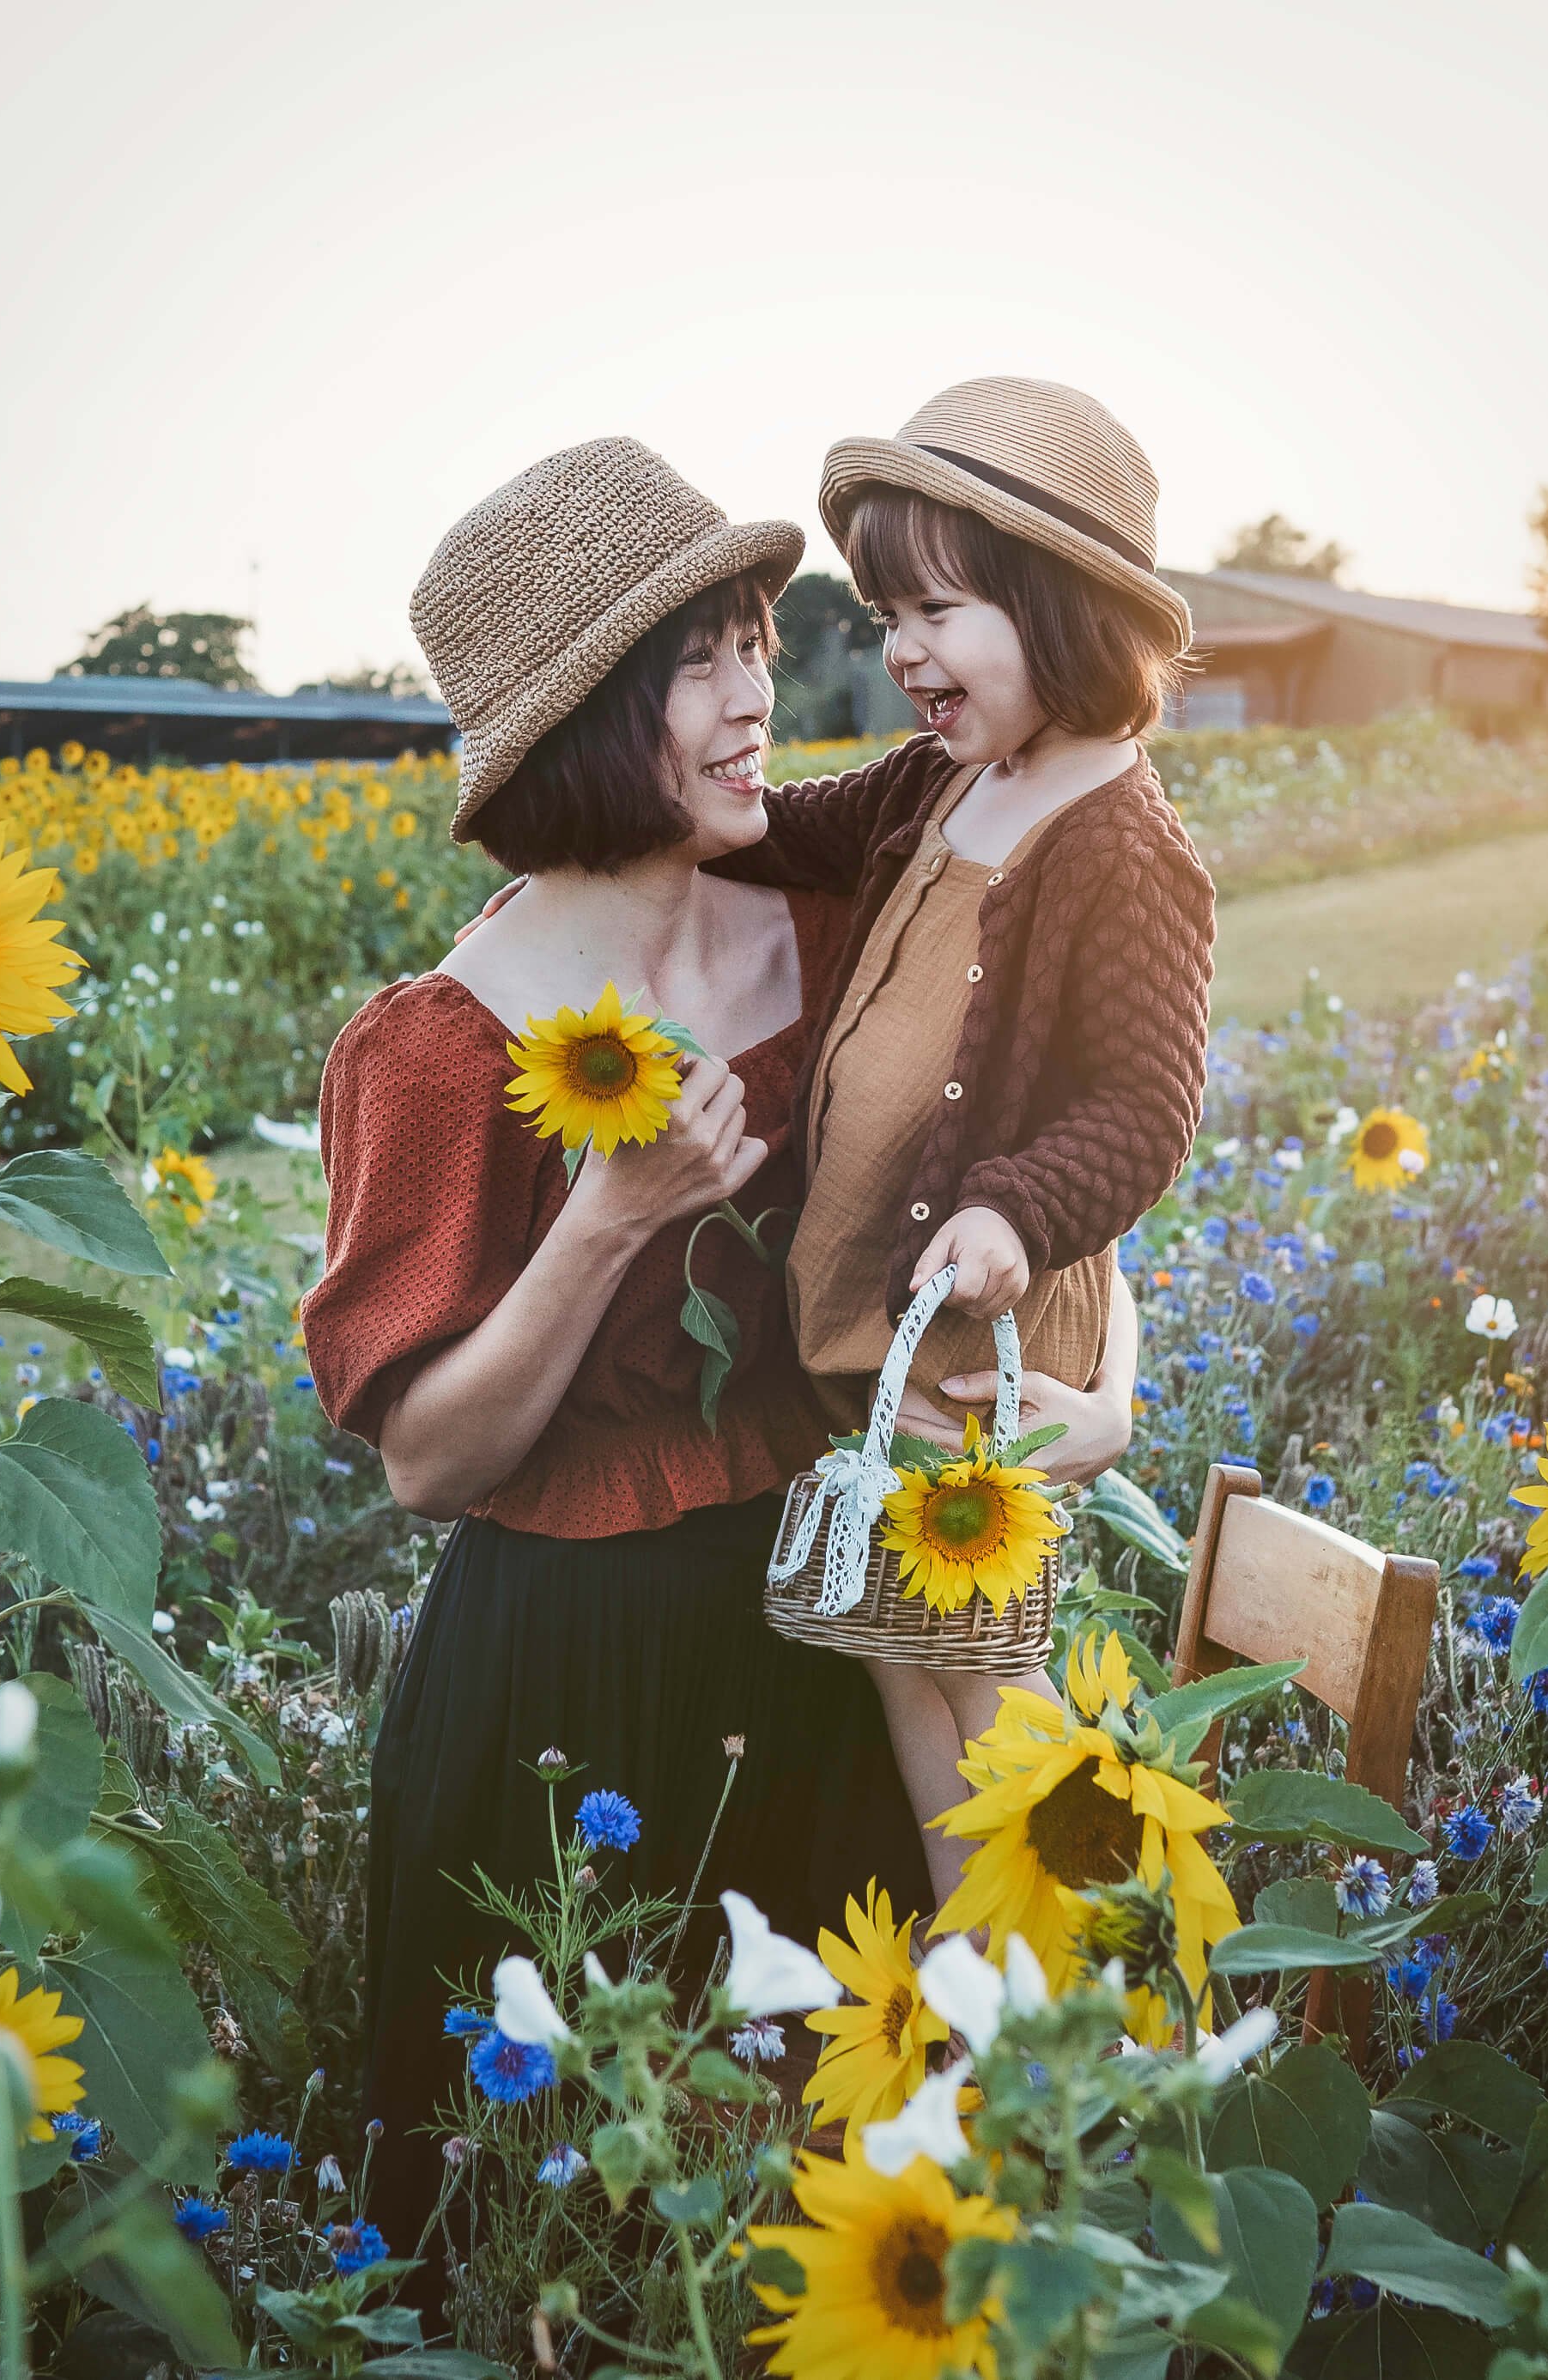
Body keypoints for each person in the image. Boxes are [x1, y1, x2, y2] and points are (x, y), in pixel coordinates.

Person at [299, 436, 939, 2250]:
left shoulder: (835, 933)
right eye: (707, 662)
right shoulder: (434, 1047)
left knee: (820, 2223)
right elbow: (431, 1462)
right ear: (587, 714)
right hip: (564, 1708)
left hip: (832, 1659)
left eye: (760, 641)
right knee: (555, 2240)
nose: (766, 697)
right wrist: (609, 1218)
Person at [719, 377, 1215, 1900]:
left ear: (1065, 613)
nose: (900, 651)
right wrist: (670, 792)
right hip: (879, 1348)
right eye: (884, 614)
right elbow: (780, 831)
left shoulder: (1121, 846)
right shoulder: (946, 785)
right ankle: (974, 1953)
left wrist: (1008, 1206)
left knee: (984, 1685)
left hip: (975, 1357)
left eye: (935, 608)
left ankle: (1081, 1955)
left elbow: (1142, 1108)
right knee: (902, 1669)